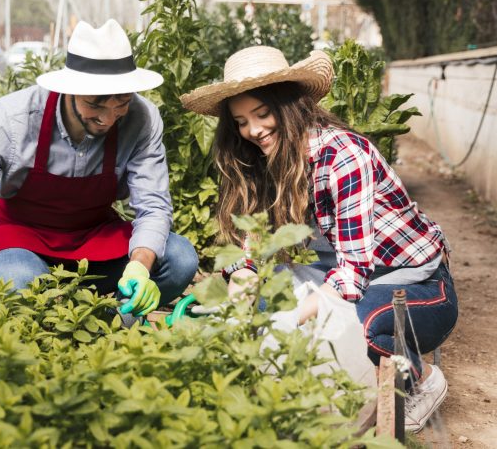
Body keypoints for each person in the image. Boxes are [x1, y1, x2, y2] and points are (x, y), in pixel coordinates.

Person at [180, 45, 458, 432]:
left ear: (290, 106)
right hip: (344, 273)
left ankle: (421, 379)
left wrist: (294, 318)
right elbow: (251, 255)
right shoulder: (260, 161)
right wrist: (238, 310)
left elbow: (353, 272)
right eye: (242, 121)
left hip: (413, 284)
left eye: (262, 114)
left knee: (361, 324)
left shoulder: (341, 155)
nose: (254, 130)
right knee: (258, 300)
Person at [0, 19, 198, 318]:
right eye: (95, 105)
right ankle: (63, 322)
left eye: (121, 103)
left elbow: (153, 206)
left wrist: (139, 266)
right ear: (70, 90)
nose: (109, 118)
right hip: (19, 238)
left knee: (180, 258)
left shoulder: (143, 118)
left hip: (94, 238)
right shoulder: (11, 120)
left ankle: (109, 324)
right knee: (20, 282)